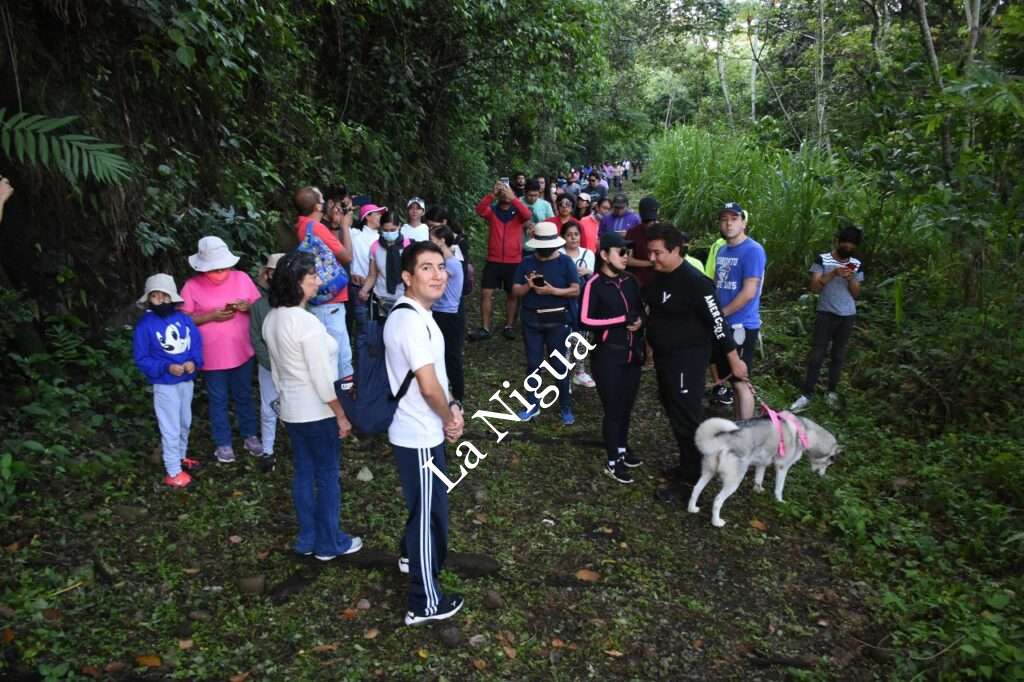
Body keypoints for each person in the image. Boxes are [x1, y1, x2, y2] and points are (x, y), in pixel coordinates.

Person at [384, 241, 465, 626]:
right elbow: (429, 386)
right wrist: (448, 414)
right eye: (427, 268)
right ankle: (424, 602)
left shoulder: (420, 313)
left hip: (423, 426)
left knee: (425, 506)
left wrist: (453, 408)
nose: (438, 275)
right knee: (430, 516)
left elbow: (439, 379)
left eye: (441, 267)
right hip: (418, 433)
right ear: (407, 277)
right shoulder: (410, 321)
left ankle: (407, 557)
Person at [263, 251, 363, 561]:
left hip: (293, 410)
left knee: (304, 473)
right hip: (317, 412)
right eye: (313, 278)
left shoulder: (272, 319)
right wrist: (341, 415)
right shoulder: (305, 323)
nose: (319, 281)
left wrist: (283, 405)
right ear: (296, 284)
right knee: (327, 475)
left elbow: (277, 370)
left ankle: (307, 538)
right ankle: (330, 542)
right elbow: (322, 380)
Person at [645, 224, 749, 500]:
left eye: (658, 253)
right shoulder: (657, 279)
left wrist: (734, 361)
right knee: (674, 411)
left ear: (676, 250)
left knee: (687, 418)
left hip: (686, 362)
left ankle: (692, 481)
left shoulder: (696, 282)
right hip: (666, 360)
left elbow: (718, 324)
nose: (652, 258)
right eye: (650, 253)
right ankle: (686, 466)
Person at [181, 236, 262, 463]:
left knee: (244, 394)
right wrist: (210, 316)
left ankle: (250, 435)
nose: (220, 273)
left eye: (224, 268)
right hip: (211, 355)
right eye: (214, 269)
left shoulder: (242, 278)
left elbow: (258, 306)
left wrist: (247, 307)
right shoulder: (191, 286)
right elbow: (183, 320)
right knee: (218, 399)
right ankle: (223, 443)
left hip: (242, 350)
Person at [580, 234, 646, 484]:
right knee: (613, 408)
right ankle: (612, 459)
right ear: (604, 255)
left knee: (627, 405)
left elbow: (639, 309)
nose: (626, 257)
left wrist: (640, 321)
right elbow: (585, 320)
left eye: (627, 252)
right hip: (607, 355)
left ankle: (622, 447)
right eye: (621, 252)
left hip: (632, 353)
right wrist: (620, 321)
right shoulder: (594, 284)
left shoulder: (631, 281)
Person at [133, 274, 204, 488]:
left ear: (172, 298)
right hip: (164, 384)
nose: (161, 301)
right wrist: (166, 367)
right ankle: (173, 470)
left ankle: (181, 457)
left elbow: (196, 346)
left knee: (185, 421)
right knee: (169, 426)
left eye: (165, 296)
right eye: (155, 296)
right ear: (149, 299)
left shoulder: (183, 320)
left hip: (186, 381)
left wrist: (194, 361)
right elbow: (142, 358)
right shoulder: (144, 326)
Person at [512, 222, 581, 425]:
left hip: (558, 320)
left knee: (559, 365)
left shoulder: (566, 262)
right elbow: (515, 291)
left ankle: (565, 406)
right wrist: (528, 285)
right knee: (533, 364)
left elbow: (575, 289)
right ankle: (532, 404)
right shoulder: (526, 263)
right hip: (531, 320)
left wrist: (553, 291)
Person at [790, 225, 865, 411]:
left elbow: (856, 294)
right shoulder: (822, 259)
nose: (848, 246)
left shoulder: (856, 264)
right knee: (817, 355)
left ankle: (831, 392)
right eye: (845, 242)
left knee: (838, 356)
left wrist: (850, 278)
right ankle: (807, 394)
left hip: (847, 316)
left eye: (852, 244)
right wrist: (833, 273)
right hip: (825, 313)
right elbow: (815, 287)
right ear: (838, 242)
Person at [293, 186, 354, 386]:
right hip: (332, 302)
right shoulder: (316, 228)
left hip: (317, 298)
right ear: (318, 206)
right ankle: (345, 405)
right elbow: (347, 256)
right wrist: (345, 226)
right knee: (341, 357)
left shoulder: (301, 226)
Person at [712, 202, 766, 420]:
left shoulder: (753, 250)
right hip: (723, 322)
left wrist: (721, 313)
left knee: (741, 380)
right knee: (731, 380)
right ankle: (738, 427)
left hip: (741, 324)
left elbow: (749, 292)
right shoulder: (722, 250)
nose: (729, 223)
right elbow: (718, 283)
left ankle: (746, 435)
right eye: (724, 219)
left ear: (744, 222)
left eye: (734, 219)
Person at [470, 181, 531, 341]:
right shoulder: (493, 211)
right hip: (494, 259)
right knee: (486, 293)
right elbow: (479, 210)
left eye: (507, 189)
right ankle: (485, 327)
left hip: (513, 260)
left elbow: (527, 215)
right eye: (502, 190)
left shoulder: (517, 213)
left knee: (512, 294)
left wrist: (514, 198)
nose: (505, 193)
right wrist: (492, 194)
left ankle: (509, 326)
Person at [249, 253, 286, 470]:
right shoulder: (259, 306)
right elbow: (256, 338)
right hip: (268, 366)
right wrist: (271, 363)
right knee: (268, 407)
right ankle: (268, 450)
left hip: (295, 367)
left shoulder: (299, 304)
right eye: (272, 272)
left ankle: (300, 446)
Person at [429, 225, 466, 402]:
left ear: (442, 240)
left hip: (448, 315)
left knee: (451, 357)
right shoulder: (446, 263)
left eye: (432, 238)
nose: (430, 241)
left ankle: (457, 396)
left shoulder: (450, 265)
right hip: (439, 312)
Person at [559, 221, 596, 389]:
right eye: (569, 235)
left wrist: (588, 272)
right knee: (564, 336)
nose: (573, 238)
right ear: (563, 237)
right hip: (563, 300)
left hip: (583, 301)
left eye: (576, 234)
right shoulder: (558, 254)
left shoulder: (588, 253)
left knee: (582, 335)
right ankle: (563, 373)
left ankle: (580, 370)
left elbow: (594, 277)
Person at [359, 211, 412, 315]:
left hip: (403, 298)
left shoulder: (409, 246)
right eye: (385, 230)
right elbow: (372, 275)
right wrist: (364, 290)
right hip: (381, 298)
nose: (389, 233)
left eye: (393, 230)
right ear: (381, 228)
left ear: (399, 226)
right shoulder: (375, 246)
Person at [349, 203, 387, 341]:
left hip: (378, 290)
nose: (380, 216)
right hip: (358, 287)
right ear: (367, 217)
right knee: (363, 330)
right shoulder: (354, 235)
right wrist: (348, 208)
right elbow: (341, 224)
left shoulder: (382, 240)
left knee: (377, 330)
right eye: (377, 214)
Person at [625, 196, 660, 289]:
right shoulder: (632, 232)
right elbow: (628, 260)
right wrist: (651, 263)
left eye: (652, 221)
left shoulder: (665, 232)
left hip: (660, 280)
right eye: (647, 221)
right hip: (639, 281)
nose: (649, 224)